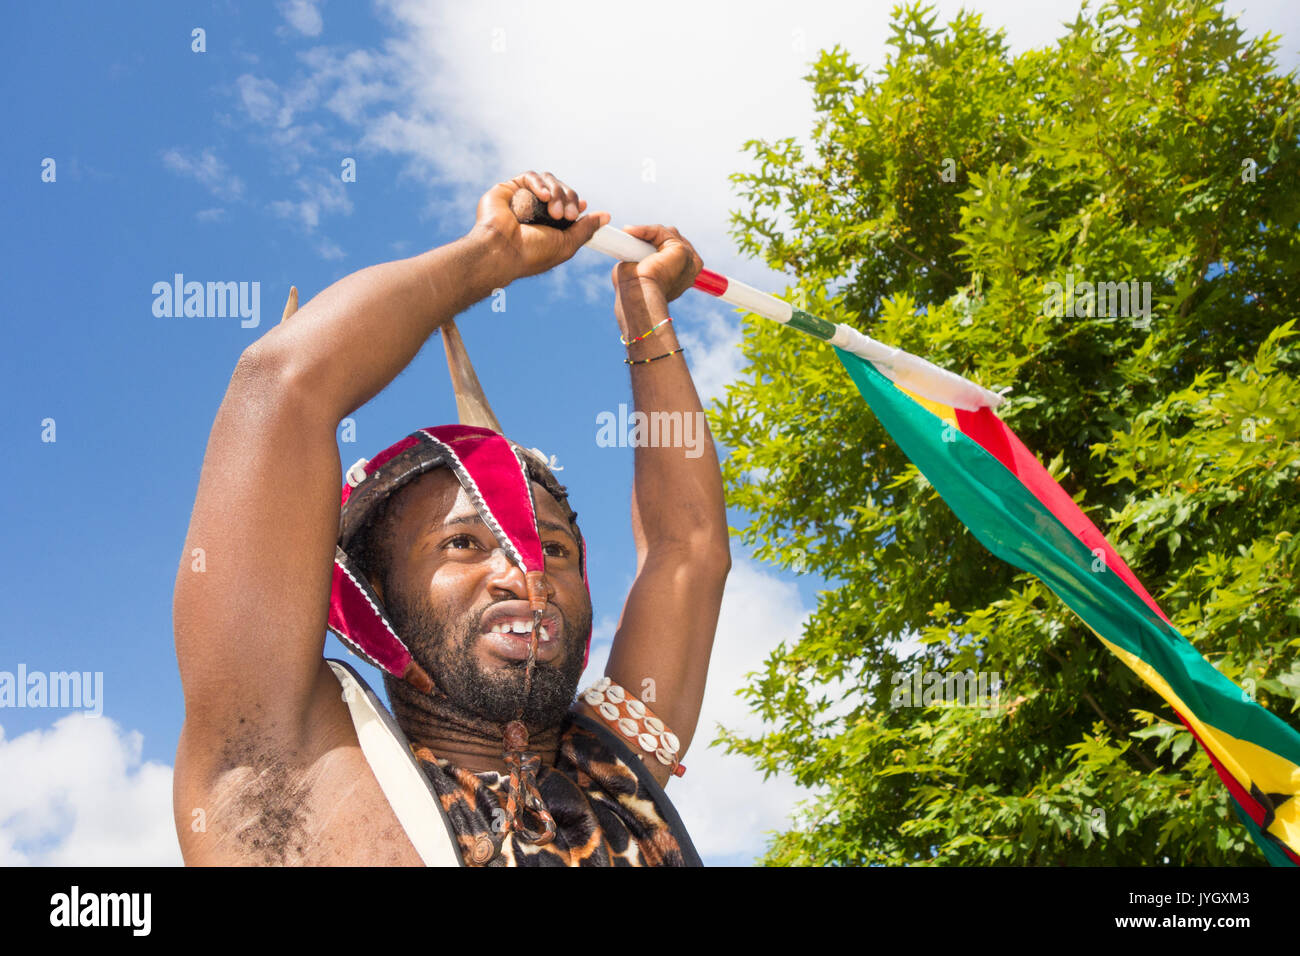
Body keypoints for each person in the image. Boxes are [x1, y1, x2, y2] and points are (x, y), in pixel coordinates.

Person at [171, 171, 730, 866]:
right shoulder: (287, 768)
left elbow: (688, 547)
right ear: (376, 599)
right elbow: (284, 385)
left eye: (555, 549)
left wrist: (646, 313)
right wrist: (490, 256)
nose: (525, 571)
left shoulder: (617, 774)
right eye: (463, 543)